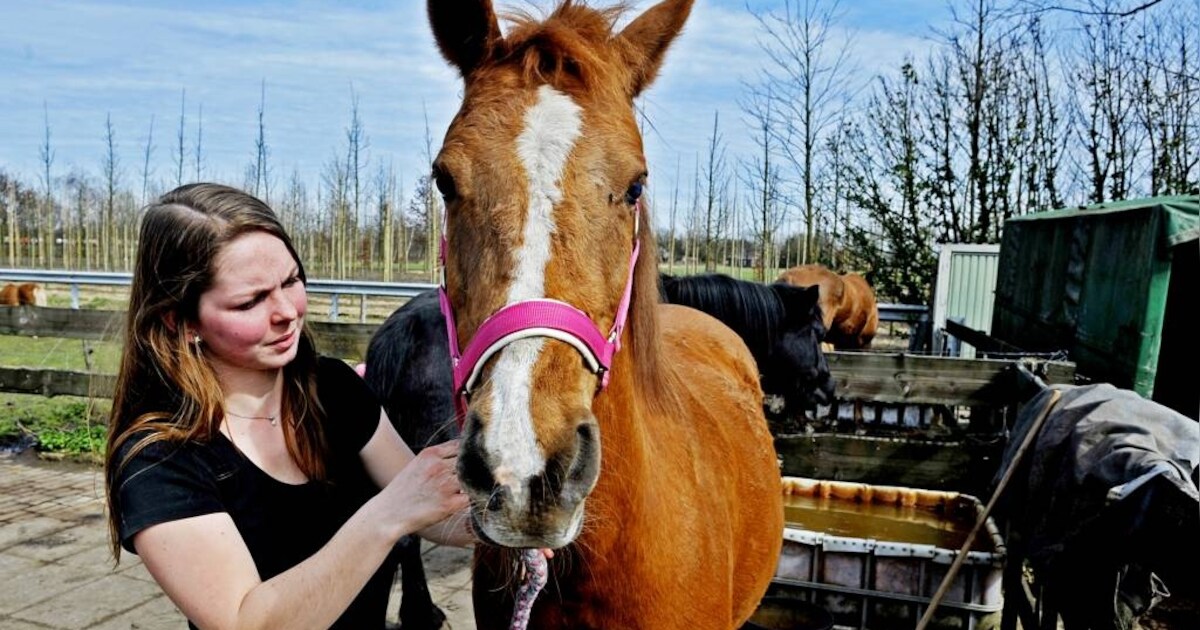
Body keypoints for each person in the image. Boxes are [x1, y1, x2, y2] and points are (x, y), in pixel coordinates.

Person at [103, 182, 473, 630]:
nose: (287, 311)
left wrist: (511, 521)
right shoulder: (159, 459)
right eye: (250, 301)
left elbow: (438, 515)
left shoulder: (333, 389)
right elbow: (245, 622)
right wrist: (388, 514)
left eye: (291, 280)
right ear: (181, 322)